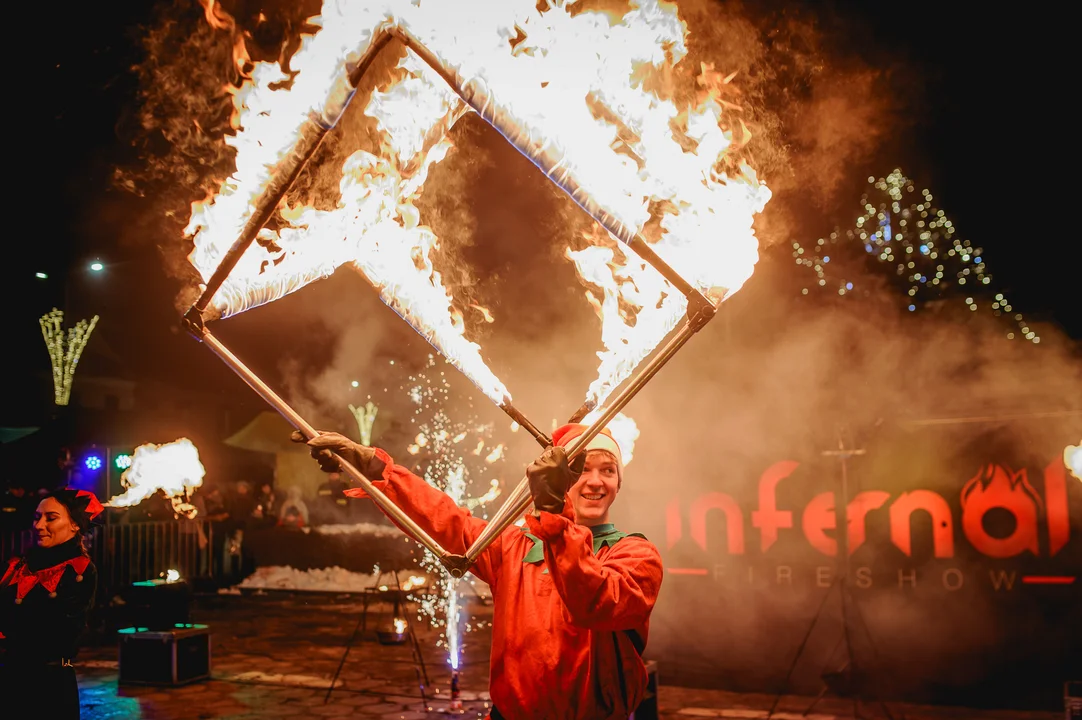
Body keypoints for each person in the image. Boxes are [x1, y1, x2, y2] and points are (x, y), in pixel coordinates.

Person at [293, 423, 663, 720]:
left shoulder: (635, 553)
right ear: (562, 478)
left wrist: (555, 520)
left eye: (608, 471)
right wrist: (374, 468)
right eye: (582, 469)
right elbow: (444, 519)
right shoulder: (514, 547)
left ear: (619, 482)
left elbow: (594, 603)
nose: (596, 481)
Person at [0, 489, 102, 716]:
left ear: (75, 525)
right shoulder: (16, 566)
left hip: (48, 685)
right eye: (37, 517)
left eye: (51, 518)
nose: (39, 526)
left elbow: (57, 633)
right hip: (9, 680)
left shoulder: (80, 571)